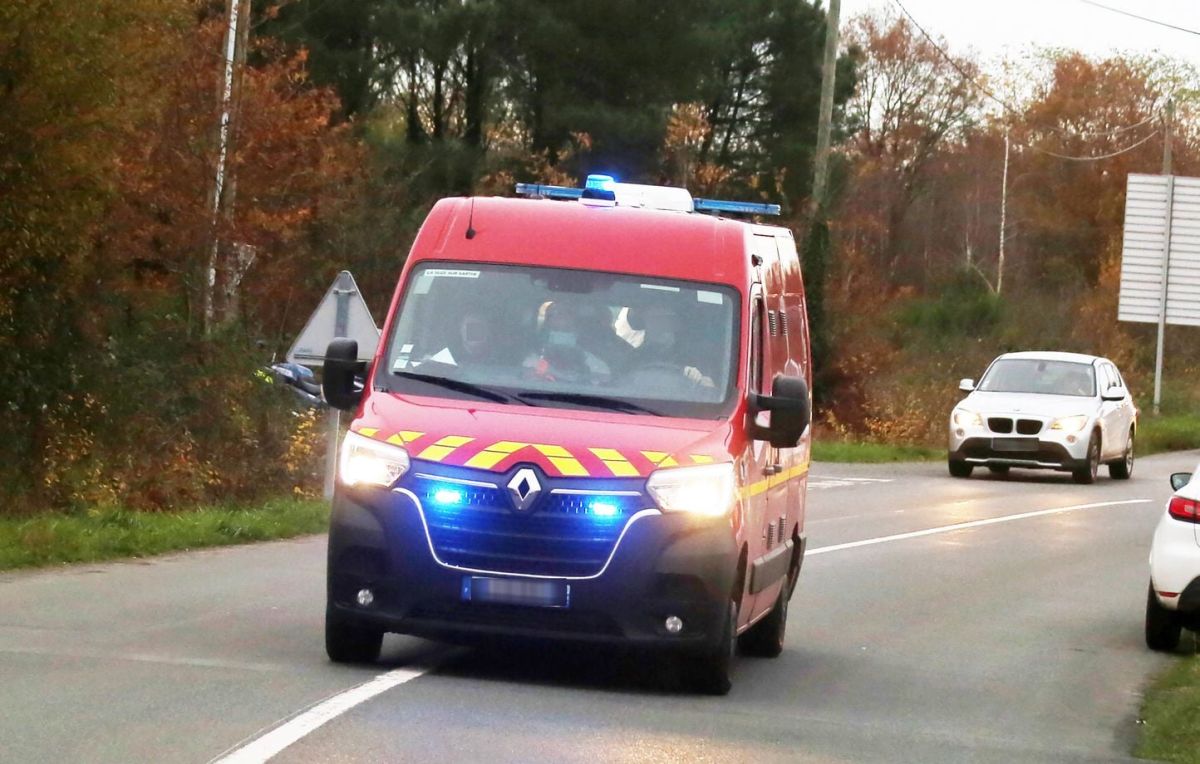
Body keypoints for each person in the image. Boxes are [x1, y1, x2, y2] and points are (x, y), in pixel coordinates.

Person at [628, 303, 715, 388]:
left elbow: (710, 390)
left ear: (676, 324)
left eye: (667, 319)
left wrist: (699, 380)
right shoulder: (634, 357)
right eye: (656, 319)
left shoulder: (696, 357)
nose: (661, 324)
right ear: (644, 322)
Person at [524, 301, 610, 382]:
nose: (560, 318)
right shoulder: (532, 362)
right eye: (554, 314)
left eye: (567, 314)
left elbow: (604, 380)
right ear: (547, 324)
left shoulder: (596, 365)